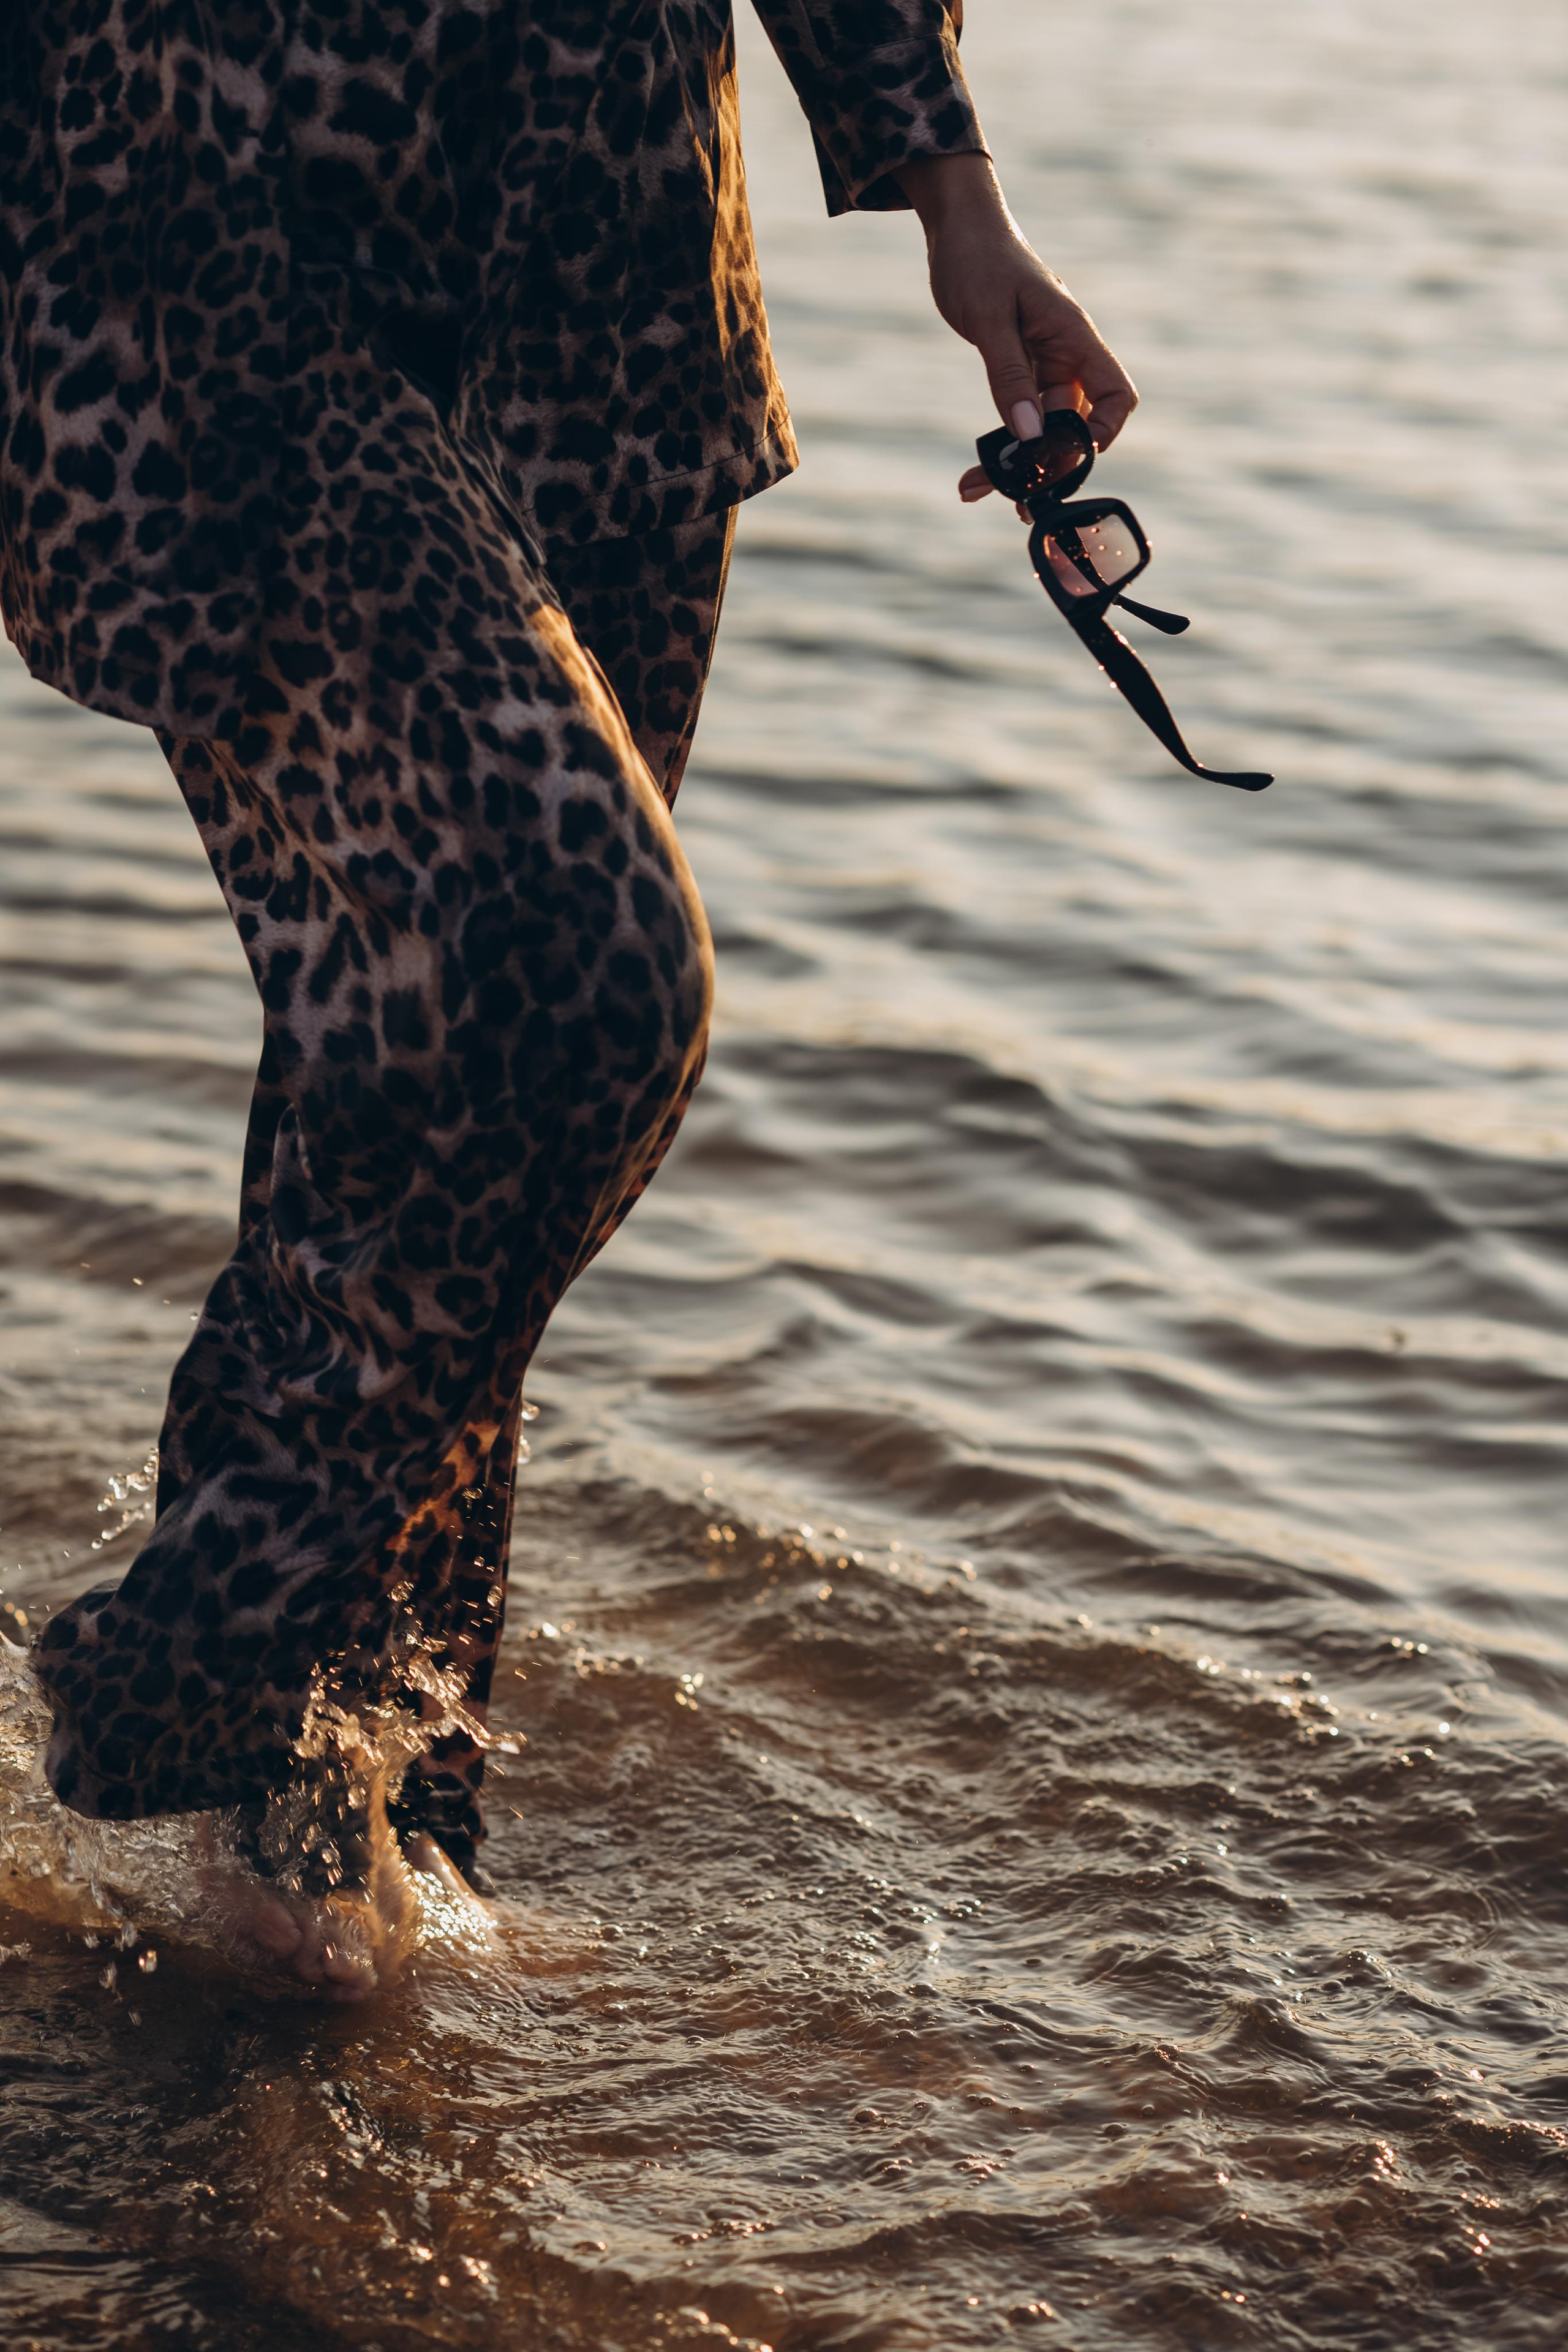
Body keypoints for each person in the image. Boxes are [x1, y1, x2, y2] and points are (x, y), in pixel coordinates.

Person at [0, 2, 1135, 1996]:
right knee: (583, 981)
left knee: (427, 1088)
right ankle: (192, 1659)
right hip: (228, 247)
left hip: (606, 263)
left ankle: (352, 1858)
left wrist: (957, 194)